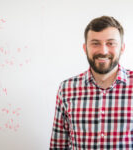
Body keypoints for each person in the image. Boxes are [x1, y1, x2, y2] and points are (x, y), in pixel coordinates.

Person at [50, 16, 133, 149]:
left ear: (122, 48)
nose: (103, 51)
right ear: (85, 48)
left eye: (110, 43)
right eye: (95, 43)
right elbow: (58, 146)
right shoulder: (66, 89)